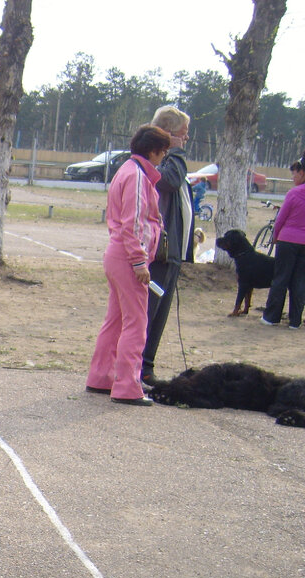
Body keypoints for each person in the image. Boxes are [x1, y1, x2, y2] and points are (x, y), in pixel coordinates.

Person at [85, 124, 172, 405]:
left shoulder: (126, 170)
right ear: (154, 151)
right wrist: (138, 261)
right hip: (128, 256)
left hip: (118, 254)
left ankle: (101, 376)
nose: (163, 157)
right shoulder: (136, 176)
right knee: (136, 322)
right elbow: (133, 222)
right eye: (163, 151)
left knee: (116, 320)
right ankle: (127, 385)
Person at [141, 106, 195, 385]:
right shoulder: (159, 165)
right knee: (149, 312)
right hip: (159, 253)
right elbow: (171, 181)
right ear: (167, 134)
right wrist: (175, 151)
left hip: (173, 252)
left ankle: (146, 366)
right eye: (182, 135)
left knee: (160, 314)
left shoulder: (172, 162)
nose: (186, 140)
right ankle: (139, 367)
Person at [259, 158, 305, 328]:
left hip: (287, 240)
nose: (293, 177)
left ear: (302, 173)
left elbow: (281, 219)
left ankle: (271, 317)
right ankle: (295, 320)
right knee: (299, 281)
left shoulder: (294, 193)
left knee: (281, 278)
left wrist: (275, 236)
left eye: (294, 174)